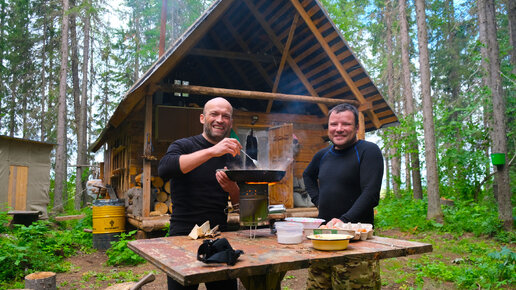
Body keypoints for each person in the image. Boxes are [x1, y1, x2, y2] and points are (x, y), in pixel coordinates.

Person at [158, 97, 241, 290]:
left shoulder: (233, 155)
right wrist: (213, 151)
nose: (220, 119)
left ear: (230, 122)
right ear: (203, 118)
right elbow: (165, 168)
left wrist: (232, 189)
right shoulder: (184, 145)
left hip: (219, 236)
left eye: (226, 116)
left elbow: (243, 203)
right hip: (182, 235)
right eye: (214, 114)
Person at [303, 103, 384, 289]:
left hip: (355, 243)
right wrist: (318, 200)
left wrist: (343, 221)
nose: (339, 129)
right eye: (334, 124)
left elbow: (371, 194)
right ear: (328, 127)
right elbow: (307, 175)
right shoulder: (322, 155)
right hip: (322, 240)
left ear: (356, 127)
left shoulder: (368, 151)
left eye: (346, 124)